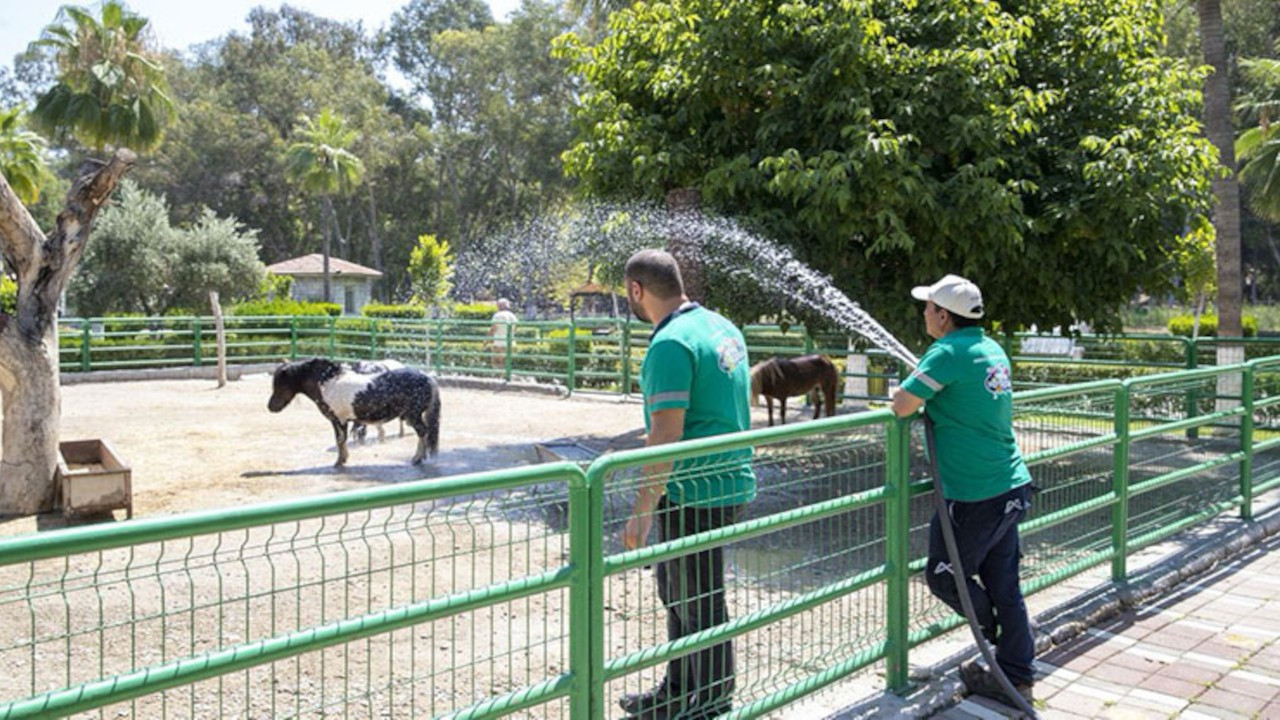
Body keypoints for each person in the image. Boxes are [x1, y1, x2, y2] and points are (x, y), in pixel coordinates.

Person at [619, 249, 755, 720]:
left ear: (637, 290)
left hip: (694, 491)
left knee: (698, 601)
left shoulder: (670, 344)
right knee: (679, 592)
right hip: (730, 480)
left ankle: (713, 704)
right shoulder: (721, 326)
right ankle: (677, 691)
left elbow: (666, 434)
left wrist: (640, 511)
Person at [890, 274, 1036, 705]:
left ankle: (994, 633)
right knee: (1004, 582)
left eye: (928, 307)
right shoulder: (991, 349)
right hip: (1010, 485)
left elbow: (901, 405)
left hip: (974, 495)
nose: (924, 313)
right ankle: (1015, 671)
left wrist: (911, 389)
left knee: (942, 574)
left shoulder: (947, 352)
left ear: (942, 315)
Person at [488, 298, 519, 371]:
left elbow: (493, 329)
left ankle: (499, 379)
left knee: (496, 363)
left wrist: (487, 340)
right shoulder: (512, 316)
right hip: (511, 343)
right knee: (507, 364)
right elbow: (516, 328)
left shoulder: (497, 316)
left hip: (499, 343)